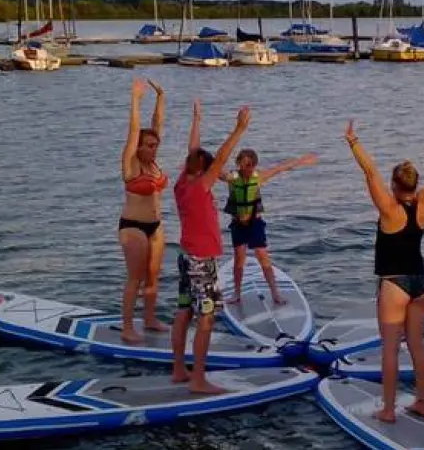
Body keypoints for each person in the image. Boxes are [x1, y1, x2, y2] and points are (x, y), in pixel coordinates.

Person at [344, 115, 424, 422]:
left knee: (390, 349)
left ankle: (388, 410)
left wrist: (353, 142)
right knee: (416, 345)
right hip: (421, 282)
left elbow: (369, 171)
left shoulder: (389, 210)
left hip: (395, 284)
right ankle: (422, 402)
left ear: (395, 185)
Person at [170, 98, 250, 394]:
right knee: (206, 318)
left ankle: (179, 369)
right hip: (201, 261)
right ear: (203, 170)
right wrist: (238, 129)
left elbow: (195, 152)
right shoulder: (199, 186)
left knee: (183, 311)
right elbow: (220, 159)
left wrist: (197, 119)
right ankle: (199, 379)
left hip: (185, 256)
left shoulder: (181, 182)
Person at [223, 148, 319, 306]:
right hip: (238, 224)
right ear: (239, 164)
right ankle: (236, 294)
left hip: (255, 223)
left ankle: (275, 293)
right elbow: (215, 171)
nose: (247, 168)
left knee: (262, 256)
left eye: (250, 165)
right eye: (243, 165)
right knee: (239, 260)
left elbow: (281, 168)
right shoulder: (232, 178)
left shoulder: (258, 177)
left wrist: (302, 160)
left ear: (254, 165)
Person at [118, 77, 168, 345]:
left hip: (156, 227)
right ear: (138, 147)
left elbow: (156, 126)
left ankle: (149, 318)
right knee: (135, 279)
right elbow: (135, 129)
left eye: (155, 145)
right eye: (149, 145)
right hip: (133, 227)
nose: (153, 147)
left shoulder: (154, 163)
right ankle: (127, 326)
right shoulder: (131, 163)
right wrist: (136, 100)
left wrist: (161, 98)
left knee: (152, 276)